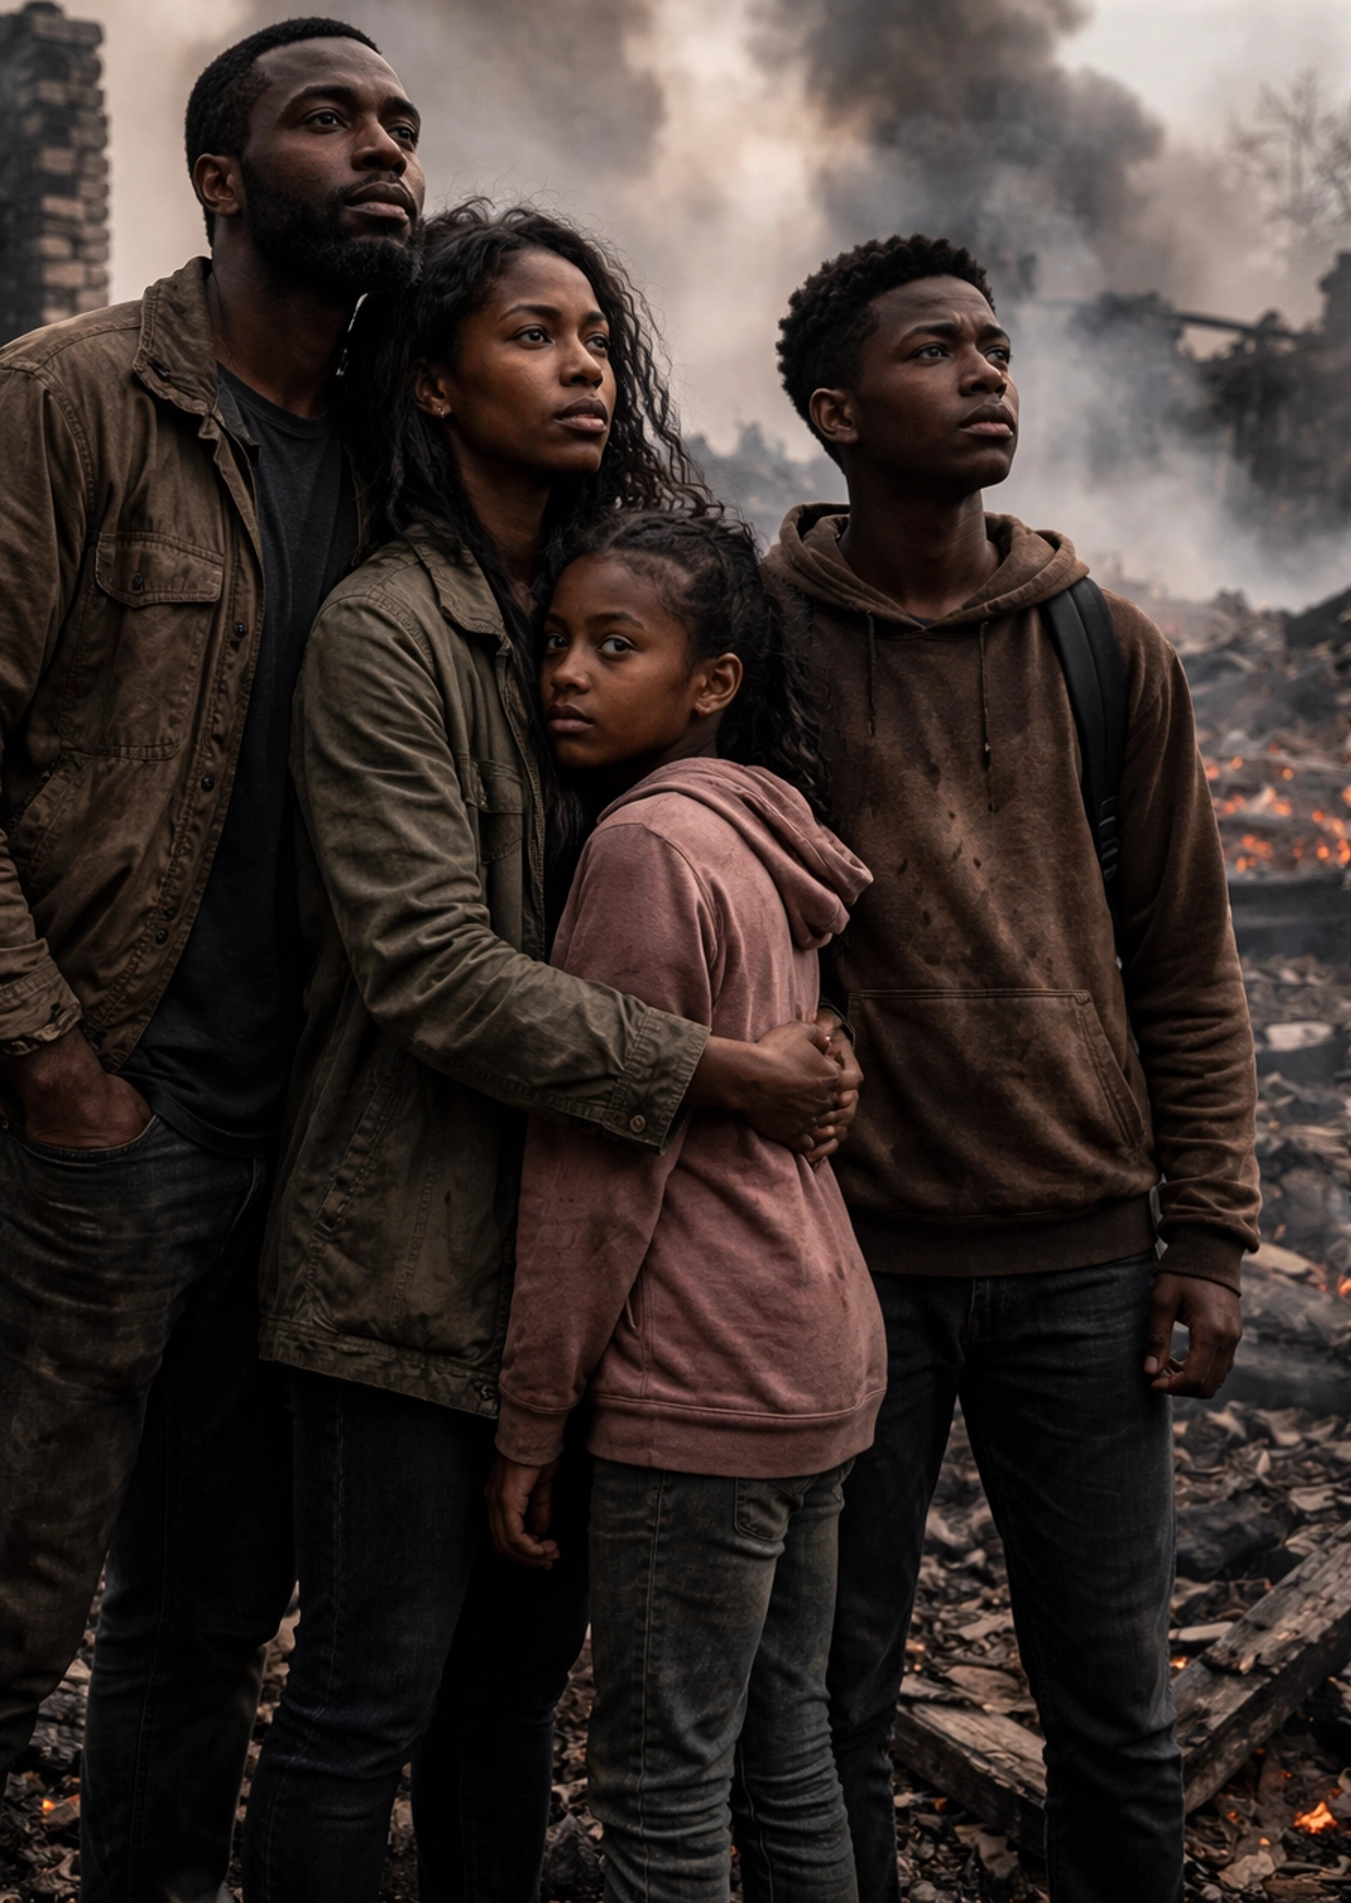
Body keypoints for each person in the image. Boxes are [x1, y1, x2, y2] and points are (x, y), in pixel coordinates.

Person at [0, 14, 429, 1903]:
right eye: (328, 118)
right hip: (98, 1139)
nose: (385, 146)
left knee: (204, 1616)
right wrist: (50, 1071)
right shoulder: (65, 405)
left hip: (307, 1149)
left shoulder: (407, 451)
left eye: (403, 120)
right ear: (221, 179)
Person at [245, 207, 857, 1903]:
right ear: (434, 384)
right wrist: (725, 1075)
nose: (582, 363)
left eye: (595, 334)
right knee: (363, 1702)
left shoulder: (600, 610)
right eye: (531, 334)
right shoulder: (389, 631)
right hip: (402, 1261)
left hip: (584, 1285)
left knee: (505, 1703)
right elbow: (430, 969)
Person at [761, 234, 1261, 1903]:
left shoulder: (1105, 652)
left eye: (994, 345)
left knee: (1116, 1720)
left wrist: (1207, 1234)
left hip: (1086, 1266)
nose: (985, 373)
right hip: (848, 1262)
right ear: (836, 413)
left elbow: (1187, 962)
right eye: (934, 353)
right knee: (833, 1702)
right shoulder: (756, 652)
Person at [488, 511, 887, 1903]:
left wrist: (532, 1420)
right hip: (814, 1353)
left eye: (617, 647)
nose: (568, 677)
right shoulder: (758, 829)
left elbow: (595, 1172)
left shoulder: (642, 851)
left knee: (662, 1803)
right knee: (789, 1763)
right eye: (555, 644)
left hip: (703, 1376)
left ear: (712, 680)